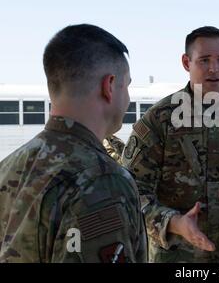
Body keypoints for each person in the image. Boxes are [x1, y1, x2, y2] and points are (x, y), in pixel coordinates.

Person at [122, 26, 219, 262]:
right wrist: (174, 222)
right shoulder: (160, 119)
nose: (214, 69)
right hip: (175, 254)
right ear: (187, 62)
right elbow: (131, 190)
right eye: (204, 60)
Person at [0, 24, 147, 263]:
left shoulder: (9, 166)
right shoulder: (102, 180)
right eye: (126, 85)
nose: (128, 97)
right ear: (109, 86)